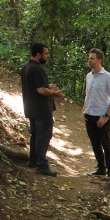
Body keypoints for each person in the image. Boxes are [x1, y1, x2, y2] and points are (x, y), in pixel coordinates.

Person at [20, 43, 64, 177]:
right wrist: (55, 93)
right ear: (38, 54)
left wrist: (49, 87)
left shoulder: (26, 67)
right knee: (43, 137)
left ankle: (33, 161)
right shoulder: (37, 69)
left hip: (31, 108)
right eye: (45, 53)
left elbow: (36, 86)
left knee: (35, 136)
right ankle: (42, 165)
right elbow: (41, 90)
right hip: (41, 110)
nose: (47, 56)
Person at [82, 48, 110, 178]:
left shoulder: (108, 77)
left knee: (106, 144)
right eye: (89, 58)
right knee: (95, 144)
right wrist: (84, 111)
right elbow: (88, 95)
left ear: (99, 60)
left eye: (91, 58)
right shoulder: (88, 76)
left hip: (101, 116)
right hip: (89, 115)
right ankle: (101, 169)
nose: (89, 60)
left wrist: (106, 116)